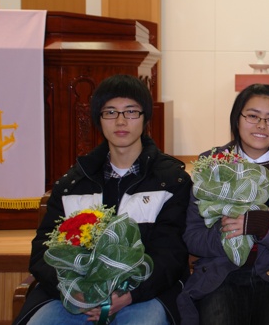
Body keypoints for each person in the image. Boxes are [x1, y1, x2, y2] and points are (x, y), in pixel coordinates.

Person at [14, 74, 192, 325]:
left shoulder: (171, 181)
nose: (120, 121)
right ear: (98, 119)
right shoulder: (73, 184)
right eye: (110, 112)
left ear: (145, 118)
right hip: (73, 297)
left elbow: (171, 254)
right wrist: (73, 291)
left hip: (144, 295)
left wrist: (128, 295)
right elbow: (43, 250)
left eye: (131, 111)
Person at [178, 83, 269, 325]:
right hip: (222, 273)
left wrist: (268, 226)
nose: (261, 125)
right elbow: (193, 237)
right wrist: (231, 230)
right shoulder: (213, 164)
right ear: (237, 118)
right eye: (253, 116)